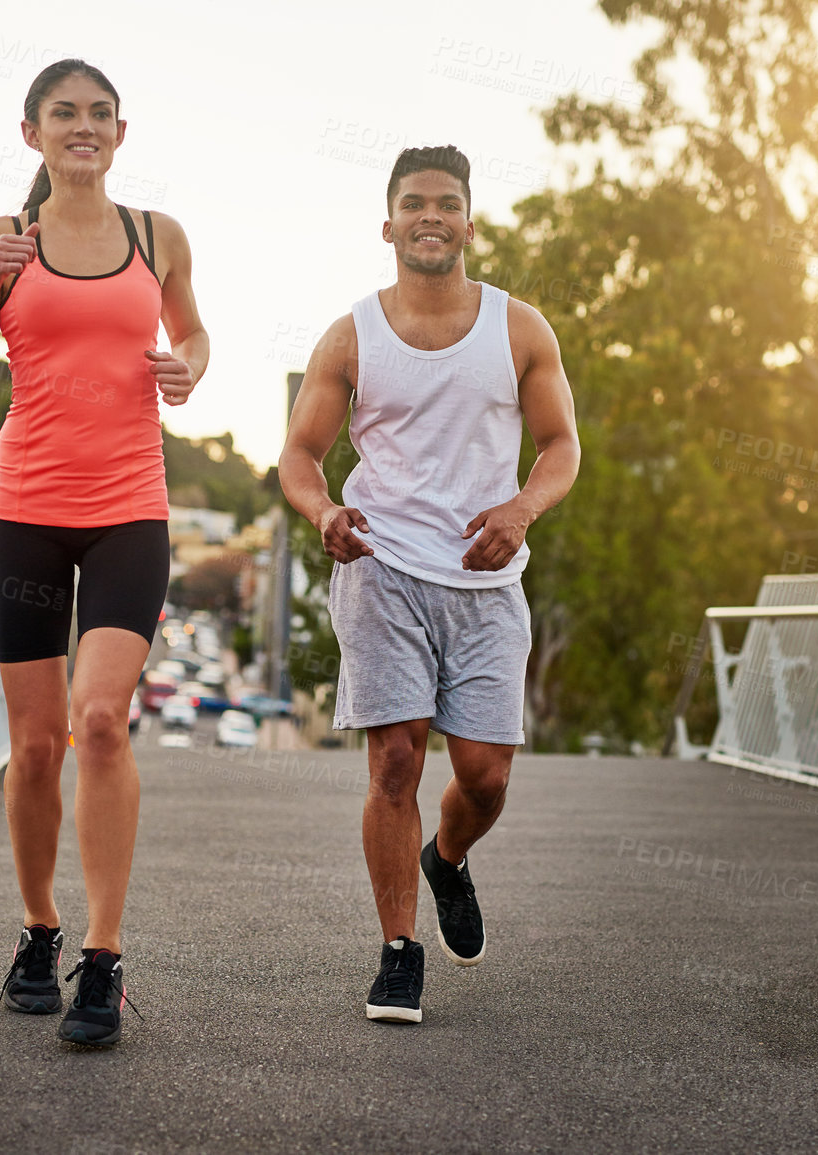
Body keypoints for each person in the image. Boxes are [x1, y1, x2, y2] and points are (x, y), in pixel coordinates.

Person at [0, 59, 208, 1047]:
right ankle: (38, 929)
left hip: (131, 508)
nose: (82, 128)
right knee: (36, 743)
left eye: (99, 114)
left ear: (120, 134)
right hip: (27, 513)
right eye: (65, 114)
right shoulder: (0, 241)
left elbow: (196, 334)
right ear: (32, 133)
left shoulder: (157, 237)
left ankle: (103, 954)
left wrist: (189, 365)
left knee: (100, 719)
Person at [279, 145, 580, 1024]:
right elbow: (299, 456)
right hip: (382, 567)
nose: (430, 216)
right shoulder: (351, 335)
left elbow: (561, 446)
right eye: (413, 203)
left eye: (446, 203)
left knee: (483, 776)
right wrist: (321, 511)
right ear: (388, 225)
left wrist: (520, 510)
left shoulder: (519, 329)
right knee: (396, 759)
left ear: (468, 224)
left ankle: (445, 857)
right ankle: (398, 952)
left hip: (487, 578)